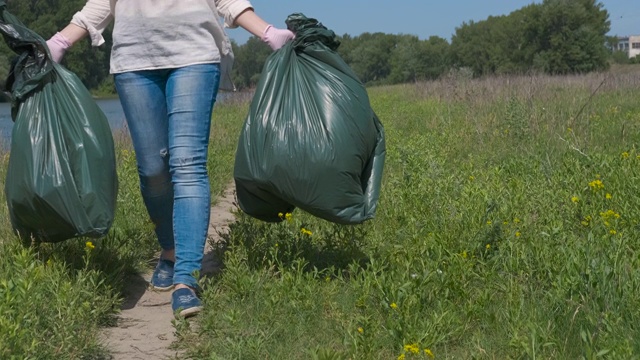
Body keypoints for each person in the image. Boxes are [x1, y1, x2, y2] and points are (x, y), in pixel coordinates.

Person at [46, 0, 294, 318]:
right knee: (153, 169)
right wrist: (61, 40)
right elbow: (101, 4)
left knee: (188, 164)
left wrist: (267, 31)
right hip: (133, 61)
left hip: (194, 54)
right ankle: (170, 249)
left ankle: (186, 281)